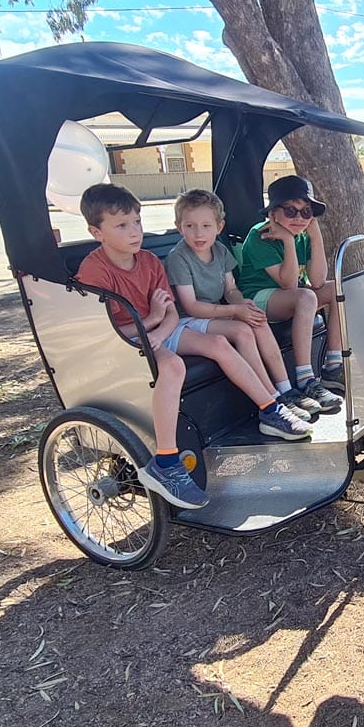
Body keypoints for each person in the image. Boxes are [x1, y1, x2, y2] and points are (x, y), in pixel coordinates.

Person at [74, 184, 313, 510]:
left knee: (219, 343)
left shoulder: (147, 261)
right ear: (95, 231)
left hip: (161, 329)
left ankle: (270, 409)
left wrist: (160, 324)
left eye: (136, 223)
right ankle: (167, 462)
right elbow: (108, 329)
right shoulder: (95, 271)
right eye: (121, 226)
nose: (134, 232)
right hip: (125, 339)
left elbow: (171, 312)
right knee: (173, 366)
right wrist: (152, 324)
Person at [165, 188, 322, 418]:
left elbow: (230, 289)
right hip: (190, 320)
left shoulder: (219, 250)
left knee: (257, 318)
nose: (199, 233)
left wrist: (243, 305)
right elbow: (191, 306)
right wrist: (236, 310)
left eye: (206, 226)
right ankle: (272, 397)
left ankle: (286, 389)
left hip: (216, 312)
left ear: (219, 228)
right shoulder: (179, 258)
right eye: (190, 226)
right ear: (180, 227)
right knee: (243, 331)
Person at [236, 175, 345, 413]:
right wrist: (286, 241)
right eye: (290, 211)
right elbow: (288, 285)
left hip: (291, 297)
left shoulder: (303, 235)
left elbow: (316, 280)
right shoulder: (260, 235)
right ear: (273, 213)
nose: (299, 218)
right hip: (260, 299)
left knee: (337, 288)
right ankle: (306, 379)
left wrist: (316, 236)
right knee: (306, 297)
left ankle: (333, 366)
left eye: (307, 212)